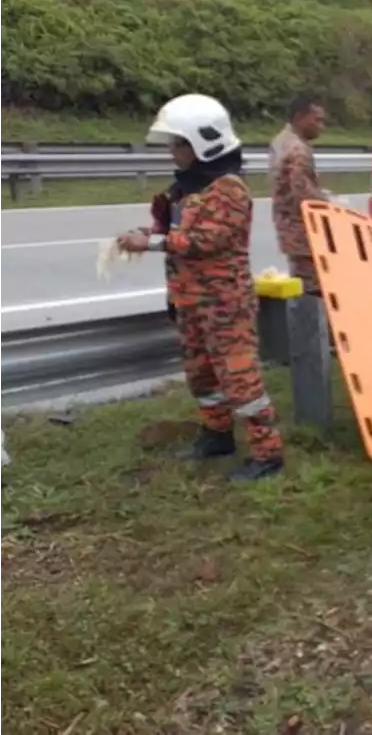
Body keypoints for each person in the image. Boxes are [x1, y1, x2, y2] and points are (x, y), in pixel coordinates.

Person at [116, 94, 285, 482]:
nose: (173, 152)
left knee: (240, 378)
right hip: (191, 300)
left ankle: (267, 453)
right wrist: (148, 234)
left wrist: (155, 243)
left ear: (202, 142)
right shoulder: (186, 189)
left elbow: (206, 241)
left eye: (179, 144)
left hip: (224, 303)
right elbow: (176, 233)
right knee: (201, 375)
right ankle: (217, 434)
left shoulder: (229, 189)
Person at [269, 93, 329, 294]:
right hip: (303, 230)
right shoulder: (298, 150)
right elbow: (303, 193)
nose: (321, 126)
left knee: (301, 279)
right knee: (312, 288)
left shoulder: (280, 140)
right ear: (300, 117)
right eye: (317, 120)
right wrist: (330, 202)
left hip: (287, 225)